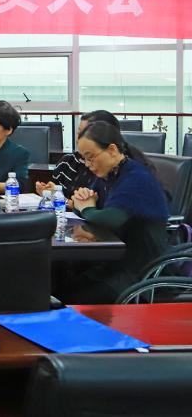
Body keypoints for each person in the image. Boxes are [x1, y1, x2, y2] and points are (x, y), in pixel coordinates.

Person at [62, 122, 170, 304]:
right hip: (114, 262)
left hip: (141, 272)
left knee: (72, 298)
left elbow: (110, 219)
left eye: (91, 157)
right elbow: (89, 204)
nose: (88, 165)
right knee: (61, 284)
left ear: (112, 150)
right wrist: (82, 201)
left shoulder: (137, 178)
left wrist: (86, 208)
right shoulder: (108, 175)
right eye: (84, 159)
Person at [35, 110, 155, 204]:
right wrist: (49, 193)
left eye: (85, 134)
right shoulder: (68, 162)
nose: (79, 139)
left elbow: (96, 208)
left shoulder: (114, 170)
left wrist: (62, 200)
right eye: (79, 133)